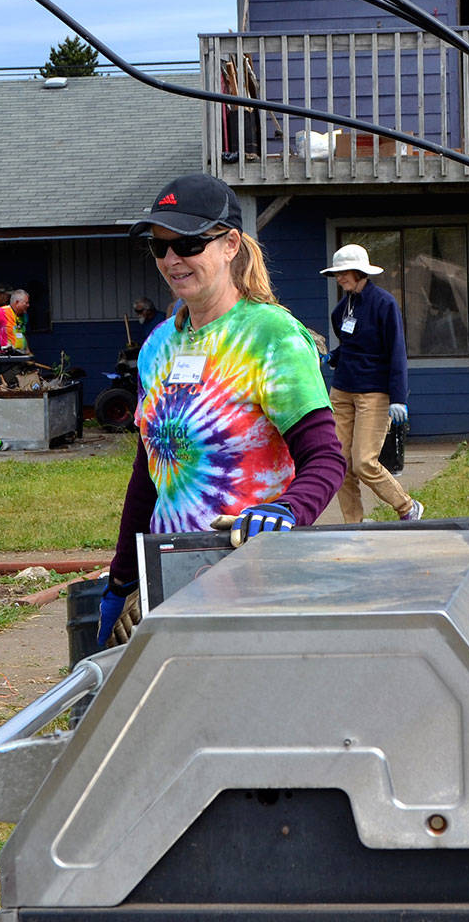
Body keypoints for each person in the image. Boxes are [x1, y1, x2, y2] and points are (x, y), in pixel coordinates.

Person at [96, 174, 346, 646]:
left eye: (188, 243)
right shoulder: (158, 345)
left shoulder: (271, 336)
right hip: (170, 579)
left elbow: (327, 459)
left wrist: (286, 509)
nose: (172, 259)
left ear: (230, 244)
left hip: (254, 578)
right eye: (159, 246)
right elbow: (149, 473)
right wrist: (123, 579)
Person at [323, 243, 422, 522]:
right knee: (339, 463)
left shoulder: (384, 303)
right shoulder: (342, 308)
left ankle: (407, 507)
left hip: (373, 394)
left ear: (359, 272)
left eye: (343, 273)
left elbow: (396, 351)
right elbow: (353, 344)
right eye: (337, 274)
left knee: (364, 461)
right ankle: (353, 523)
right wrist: (335, 356)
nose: (339, 278)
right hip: (342, 390)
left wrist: (398, 397)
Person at [0, 287, 30, 351]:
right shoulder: (0, 311)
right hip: (5, 354)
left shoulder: (23, 316)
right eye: (8, 296)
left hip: (20, 354)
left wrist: (28, 352)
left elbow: (23, 334)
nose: (8, 298)